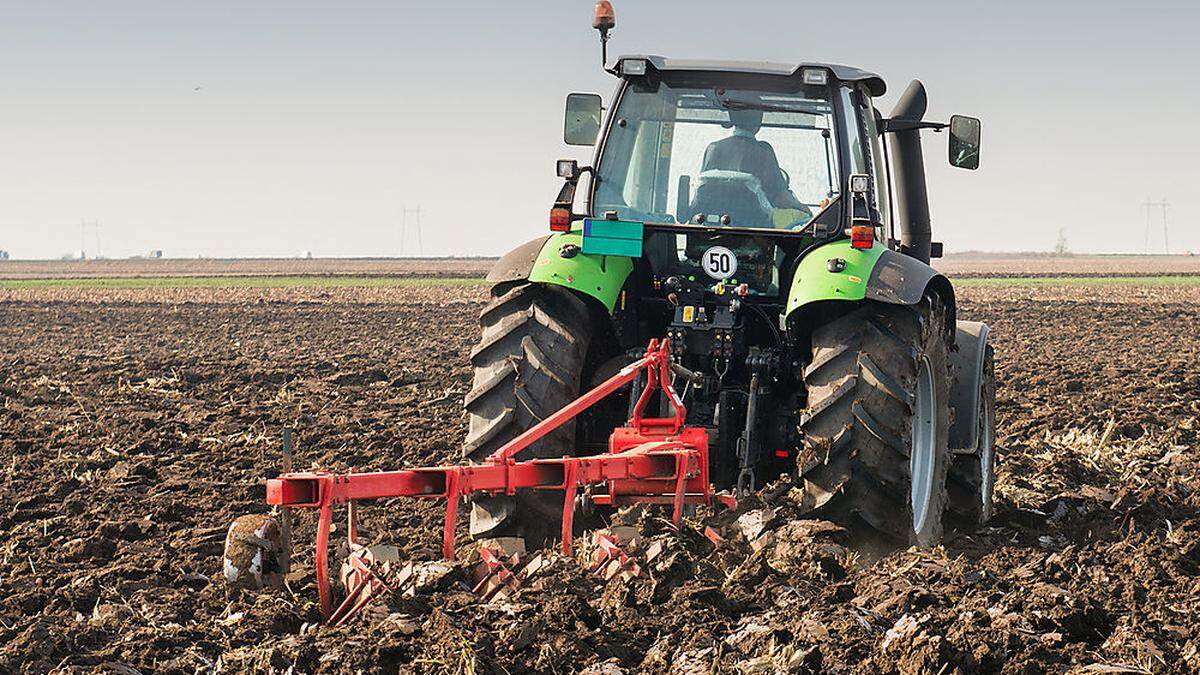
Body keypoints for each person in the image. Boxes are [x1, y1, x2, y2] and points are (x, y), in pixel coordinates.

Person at [701, 108, 808, 213]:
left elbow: (703, 188)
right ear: (758, 123)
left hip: (714, 223)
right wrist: (801, 208)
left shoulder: (713, 148)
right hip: (754, 225)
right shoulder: (763, 150)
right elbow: (779, 196)